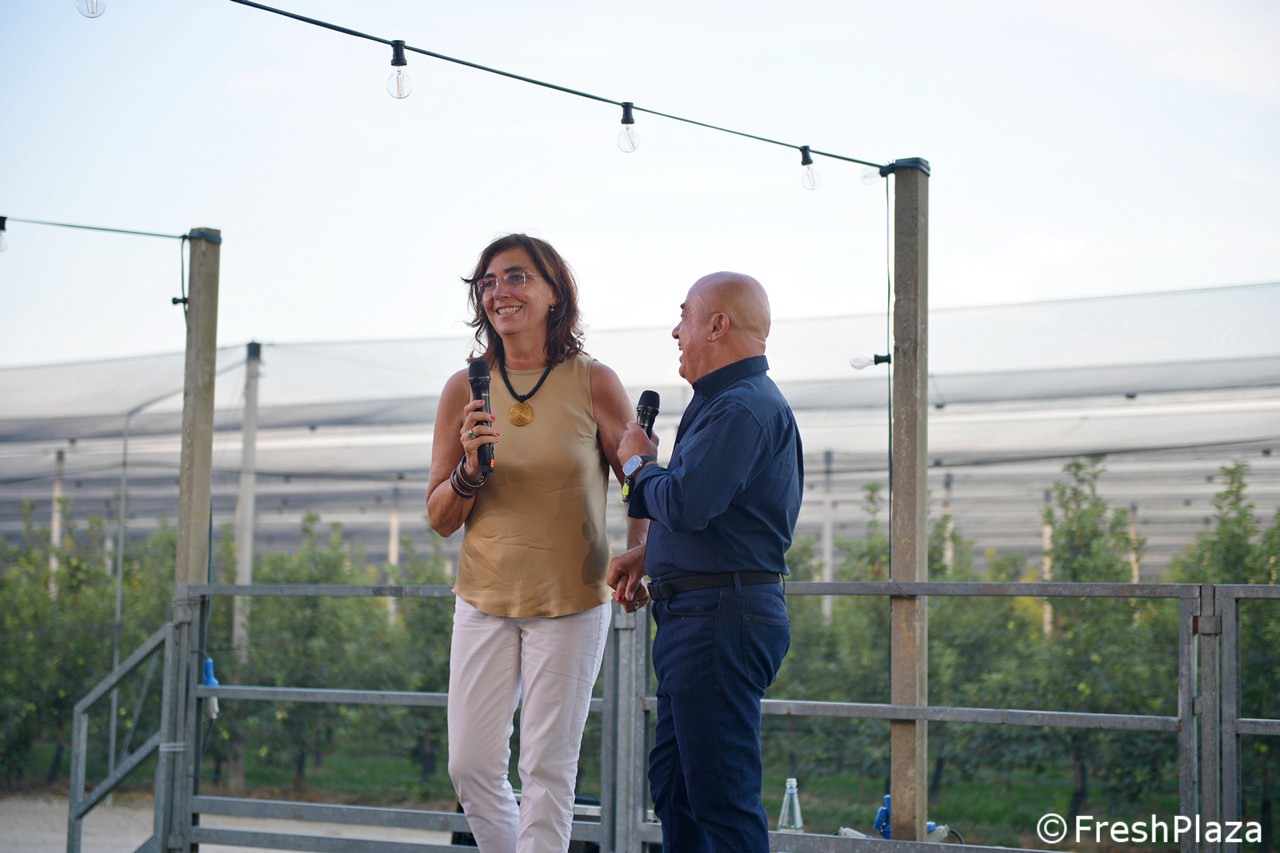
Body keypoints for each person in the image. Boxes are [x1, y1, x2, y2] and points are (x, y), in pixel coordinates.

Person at [427, 233, 648, 852]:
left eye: (517, 277)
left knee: (547, 772)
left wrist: (639, 550)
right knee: (471, 768)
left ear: (555, 293)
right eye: (488, 282)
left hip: (572, 599)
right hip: (483, 598)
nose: (499, 292)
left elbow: (639, 479)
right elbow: (440, 518)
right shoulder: (463, 388)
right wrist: (469, 472)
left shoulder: (593, 381)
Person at [608, 271, 803, 852]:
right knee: (677, 790)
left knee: (720, 797)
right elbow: (724, 516)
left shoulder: (741, 407)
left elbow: (688, 503)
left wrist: (639, 464)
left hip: (719, 619)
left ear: (717, 325)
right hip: (703, 615)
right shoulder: (727, 403)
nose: (676, 331)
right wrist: (652, 553)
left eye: (684, 316)